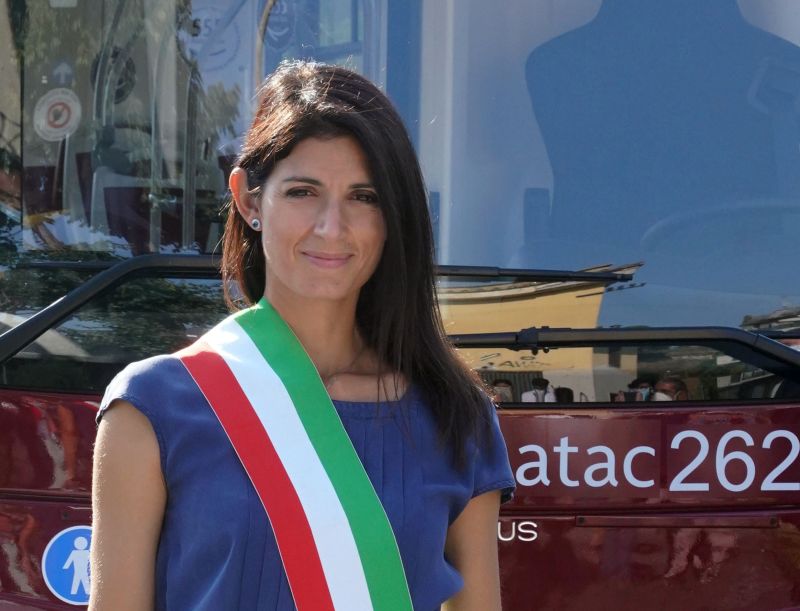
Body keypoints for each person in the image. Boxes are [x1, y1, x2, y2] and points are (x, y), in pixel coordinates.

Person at [88, 61, 515, 611]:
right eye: (302, 192)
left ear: (395, 216)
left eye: (365, 197)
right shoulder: (152, 409)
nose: (331, 227)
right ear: (248, 200)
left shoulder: (456, 413)